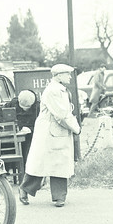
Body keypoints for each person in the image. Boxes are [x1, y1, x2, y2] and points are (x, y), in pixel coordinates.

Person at [19, 64, 82, 208]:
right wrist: (76, 128)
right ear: (58, 75)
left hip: (57, 130)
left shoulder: (60, 89)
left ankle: (59, 197)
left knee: (59, 163)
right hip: (49, 131)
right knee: (41, 162)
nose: (70, 77)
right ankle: (25, 188)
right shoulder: (54, 91)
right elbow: (62, 115)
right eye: (67, 74)